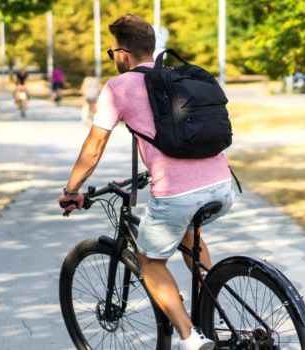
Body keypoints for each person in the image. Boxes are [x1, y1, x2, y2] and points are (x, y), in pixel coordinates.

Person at [58, 14, 232, 350]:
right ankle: (216, 315)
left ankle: (190, 338)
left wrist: (71, 191)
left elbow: (93, 149)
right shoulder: (178, 75)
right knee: (188, 234)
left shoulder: (118, 88)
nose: (113, 58)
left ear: (123, 54)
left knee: (149, 262)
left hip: (178, 194)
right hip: (222, 186)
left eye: (112, 52)